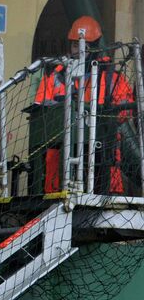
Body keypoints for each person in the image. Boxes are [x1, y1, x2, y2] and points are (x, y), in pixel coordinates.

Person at [34, 16, 136, 195]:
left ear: (95, 47)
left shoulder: (111, 75)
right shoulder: (56, 74)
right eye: (75, 45)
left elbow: (124, 109)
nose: (79, 51)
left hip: (102, 154)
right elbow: (40, 111)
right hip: (61, 158)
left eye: (85, 47)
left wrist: (101, 114)